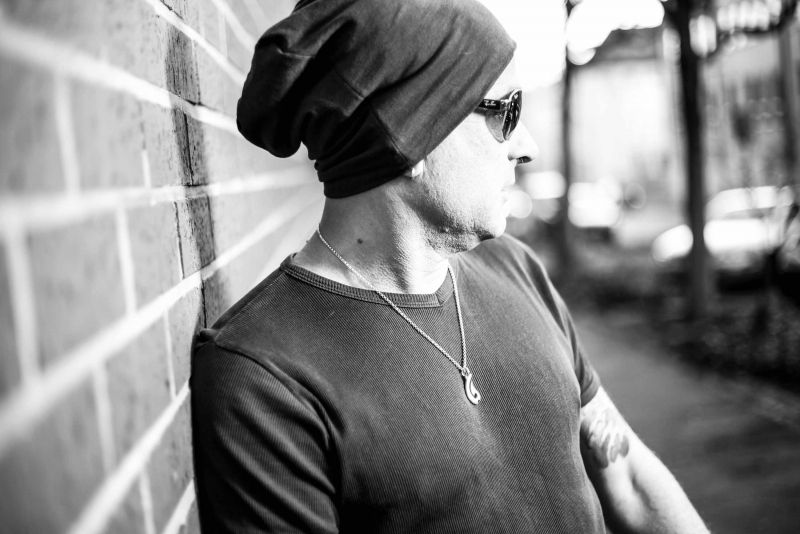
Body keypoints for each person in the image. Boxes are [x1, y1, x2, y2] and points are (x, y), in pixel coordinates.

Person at [190, 0, 709, 532]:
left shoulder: (515, 268)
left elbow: (629, 483)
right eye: (506, 111)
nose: (526, 146)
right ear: (413, 131)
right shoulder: (260, 379)